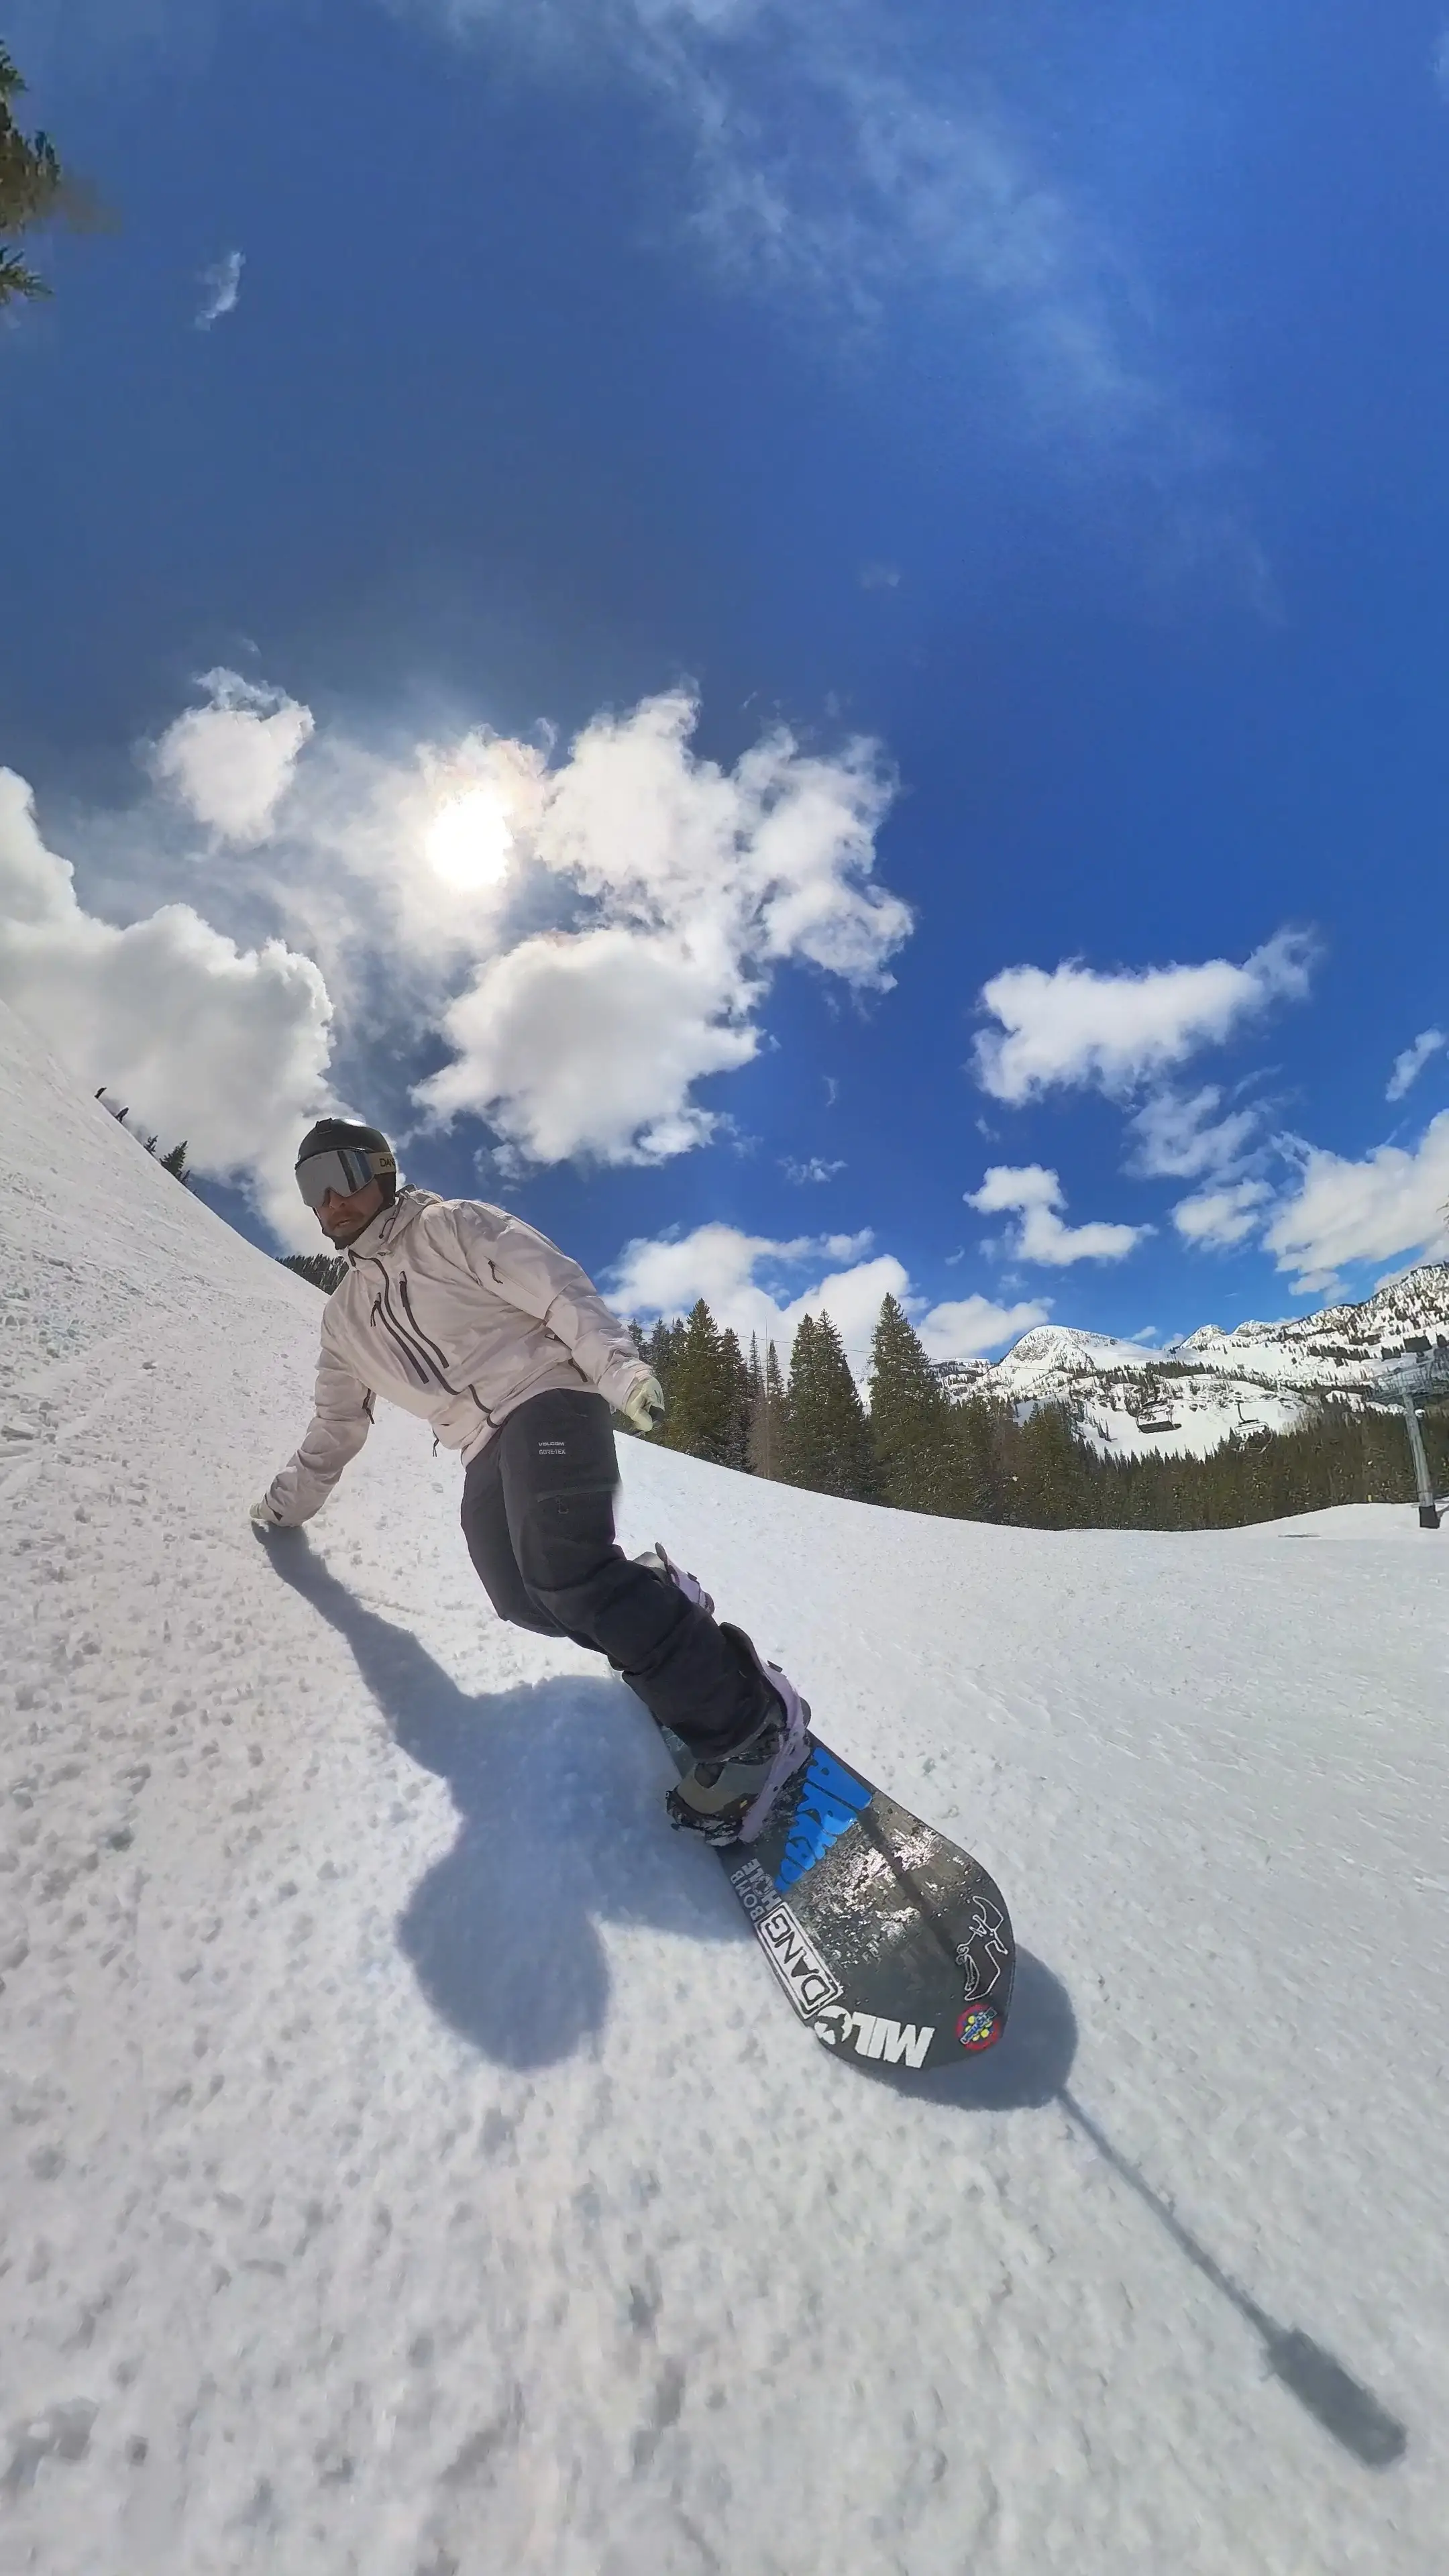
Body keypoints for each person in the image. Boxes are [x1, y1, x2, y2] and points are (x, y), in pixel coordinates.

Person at [251, 1120, 809, 1844]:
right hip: (479, 1443)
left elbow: (556, 1289)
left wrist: (621, 1371)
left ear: (381, 1168)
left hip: (547, 1392)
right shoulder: (344, 1319)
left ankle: (752, 1730)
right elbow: (336, 1427)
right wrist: (287, 1506)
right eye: (309, 1189)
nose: (328, 1202)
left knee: (564, 1566)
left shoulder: (449, 1228)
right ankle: (655, 1599)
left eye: (340, 1174)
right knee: (521, 1598)